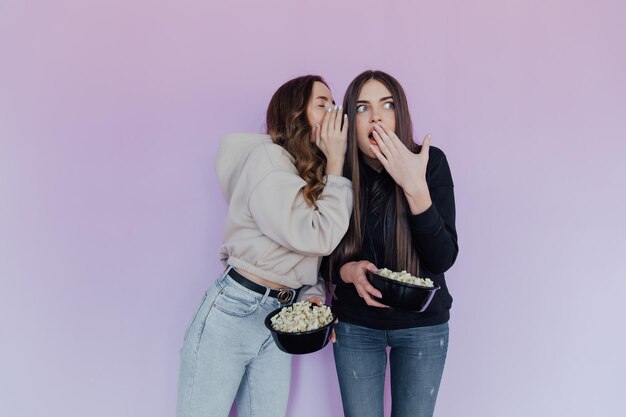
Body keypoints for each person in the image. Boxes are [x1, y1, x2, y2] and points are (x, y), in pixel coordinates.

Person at [176, 75, 352, 417]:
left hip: (278, 319)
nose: (333, 113)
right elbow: (318, 236)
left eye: (334, 104)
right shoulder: (267, 160)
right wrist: (336, 161)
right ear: (294, 113)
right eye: (322, 104)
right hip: (234, 310)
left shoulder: (308, 177)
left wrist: (311, 294)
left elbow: (305, 255)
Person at [322, 70, 459, 417]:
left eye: (387, 105)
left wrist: (414, 186)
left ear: (400, 113)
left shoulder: (431, 163)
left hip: (423, 327)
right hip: (355, 325)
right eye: (364, 108)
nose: (377, 116)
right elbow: (317, 249)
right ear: (352, 120)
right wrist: (347, 270)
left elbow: (442, 257)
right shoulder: (338, 172)